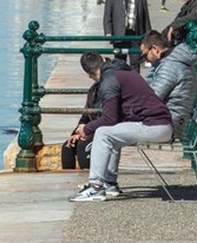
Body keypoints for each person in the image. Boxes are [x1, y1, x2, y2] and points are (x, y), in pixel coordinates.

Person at [70, 51, 173, 202]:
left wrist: (86, 129)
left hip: (155, 126)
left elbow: (109, 118)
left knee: (103, 133)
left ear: (88, 74)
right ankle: (109, 184)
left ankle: (96, 188)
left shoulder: (109, 81)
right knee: (112, 134)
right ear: (103, 60)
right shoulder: (121, 70)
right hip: (160, 124)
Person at [140, 30, 197, 140]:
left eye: (145, 55)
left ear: (155, 49)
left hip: (168, 125)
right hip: (168, 119)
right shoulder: (169, 61)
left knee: (109, 133)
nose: (145, 59)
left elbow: (152, 98)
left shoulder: (170, 67)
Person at [103, 0, 151, 72]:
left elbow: (146, 19)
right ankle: (121, 85)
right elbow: (107, 17)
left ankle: (134, 85)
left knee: (135, 63)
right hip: (119, 35)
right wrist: (108, 33)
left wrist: (148, 37)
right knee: (119, 64)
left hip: (136, 35)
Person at [61, 82, 101, 169]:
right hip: (90, 129)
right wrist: (77, 133)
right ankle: (67, 180)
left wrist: (87, 130)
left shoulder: (110, 91)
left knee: (83, 145)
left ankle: (89, 179)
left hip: (103, 129)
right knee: (68, 146)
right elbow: (85, 117)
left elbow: (109, 118)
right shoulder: (93, 89)